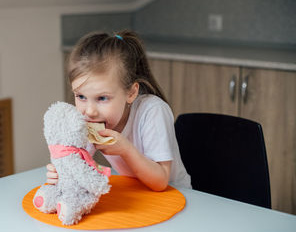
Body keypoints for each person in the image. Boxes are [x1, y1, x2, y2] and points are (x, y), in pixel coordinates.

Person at [46, 29, 191, 191]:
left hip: (176, 195)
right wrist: (61, 172)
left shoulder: (153, 111)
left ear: (131, 93)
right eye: (81, 96)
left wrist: (126, 150)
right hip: (136, 195)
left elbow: (161, 181)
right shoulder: (91, 119)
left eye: (102, 98)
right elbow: (78, 162)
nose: (89, 111)